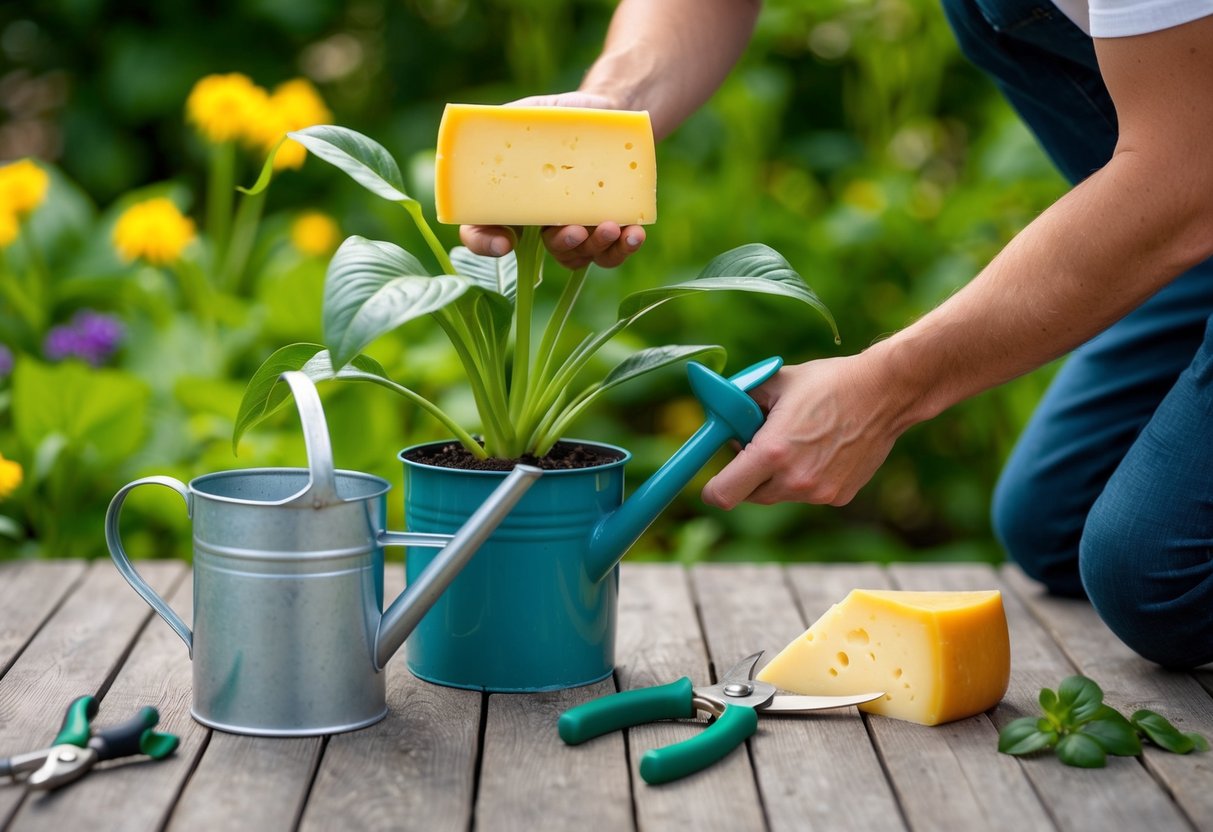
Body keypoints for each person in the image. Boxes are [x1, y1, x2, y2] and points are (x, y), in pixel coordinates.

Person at [462, 0, 1213, 668]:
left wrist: (886, 388)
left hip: (1188, 189)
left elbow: (1188, 170)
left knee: (1158, 577)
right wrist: (609, 111)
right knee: (1055, 524)